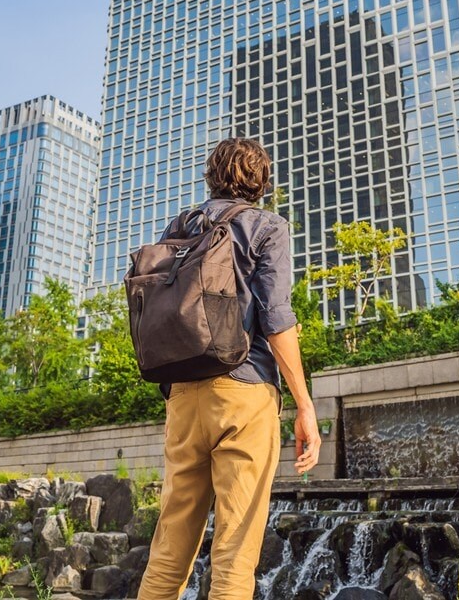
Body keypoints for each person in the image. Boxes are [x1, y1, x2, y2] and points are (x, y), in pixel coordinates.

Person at [137, 138, 321, 600]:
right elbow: (276, 317)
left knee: (169, 547)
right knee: (235, 551)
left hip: (182, 394)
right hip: (244, 392)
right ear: (262, 181)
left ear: (210, 174)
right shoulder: (267, 226)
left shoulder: (180, 225)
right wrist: (304, 405)